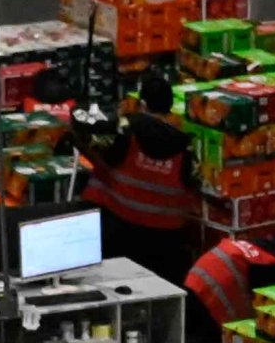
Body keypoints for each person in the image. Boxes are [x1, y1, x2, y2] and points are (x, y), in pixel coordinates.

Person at [82, 76, 200, 285]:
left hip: (122, 234)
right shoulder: (186, 146)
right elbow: (194, 184)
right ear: (171, 107)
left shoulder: (127, 134)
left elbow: (99, 151)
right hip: (166, 243)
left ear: (143, 103)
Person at [181, 225, 275, 343]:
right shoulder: (268, 265)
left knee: (201, 341)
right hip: (209, 296)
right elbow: (262, 304)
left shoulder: (251, 247)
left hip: (194, 280)